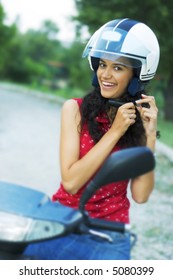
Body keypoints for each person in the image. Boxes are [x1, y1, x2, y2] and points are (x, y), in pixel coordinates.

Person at [25, 18, 160, 260]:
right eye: (102, 65)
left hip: (109, 233)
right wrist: (114, 131)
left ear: (136, 76)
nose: (105, 75)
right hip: (62, 220)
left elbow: (140, 195)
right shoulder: (74, 110)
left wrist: (149, 134)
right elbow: (71, 182)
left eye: (118, 68)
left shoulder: (138, 125)